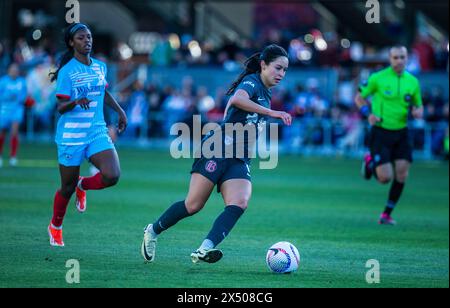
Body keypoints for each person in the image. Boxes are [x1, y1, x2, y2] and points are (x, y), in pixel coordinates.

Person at [141, 44, 292, 264]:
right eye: (278, 68)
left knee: (239, 202)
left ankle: (204, 249)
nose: (281, 74)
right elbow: (237, 100)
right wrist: (272, 112)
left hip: (239, 157)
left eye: (285, 70)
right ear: (263, 65)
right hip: (218, 148)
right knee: (193, 205)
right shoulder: (252, 82)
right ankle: (152, 231)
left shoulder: (266, 93)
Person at [47, 23, 127, 247]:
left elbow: (103, 91)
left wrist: (120, 111)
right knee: (66, 187)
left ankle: (84, 186)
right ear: (72, 43)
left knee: (112, 175)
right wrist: (75, 101)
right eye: (81, 38)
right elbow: (60, 107)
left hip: (96, 132)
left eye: (89, 37)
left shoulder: (100, 66)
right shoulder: (67, 71)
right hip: (71, 137)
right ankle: (55, 226)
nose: (87, 41)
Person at [355, 46, 423, 225]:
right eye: (395, 57)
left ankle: (386, 214)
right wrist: (367, 113)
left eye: (402, 57)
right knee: (385, 178)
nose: (399, 60)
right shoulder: (378, 78)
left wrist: (418, 111)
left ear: (407, 58)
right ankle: (370, 162)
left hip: (402, 132)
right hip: (381, 131)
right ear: (390, 59)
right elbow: (359, 97)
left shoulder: (413, 82)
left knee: (402, 174)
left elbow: (418, 105)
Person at [0, 63, 27, 167]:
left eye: (16, 70)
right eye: (12, 70)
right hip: (3, 110)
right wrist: (7, 97)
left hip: (16, 110)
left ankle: (13, 156)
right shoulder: (3, 81)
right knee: (2, 132)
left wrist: (18, 99)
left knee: (14, 132)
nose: (14, 72)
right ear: (8, 71)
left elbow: (24, 96)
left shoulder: (22, 82)